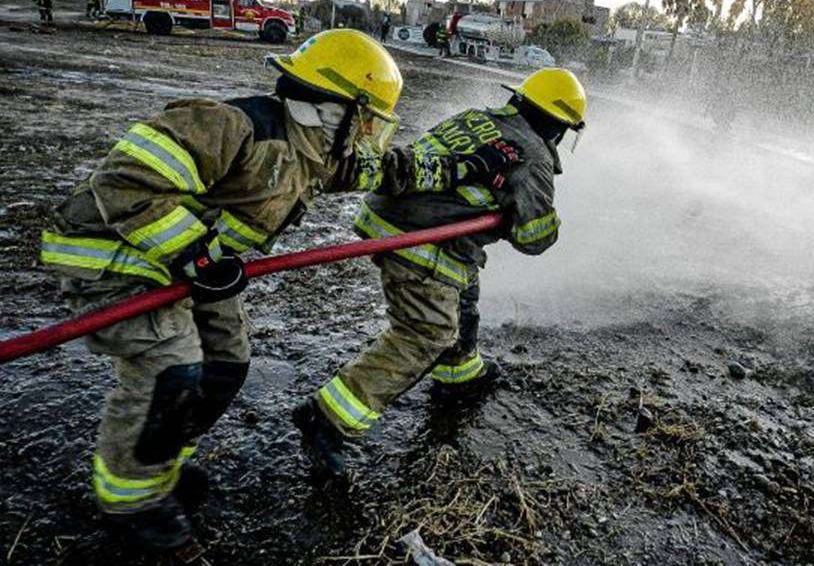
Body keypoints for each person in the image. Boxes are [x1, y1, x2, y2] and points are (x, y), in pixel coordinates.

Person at [38, 29, 524, 555]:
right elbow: (125, 183)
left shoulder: (315, 150)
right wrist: (195, 255)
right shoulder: (231, 127)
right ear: (337, 109)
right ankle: (133, 503)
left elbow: (387, 169)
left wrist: (463, 167)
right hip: (114, 256)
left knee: (226, 363)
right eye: (366, 120)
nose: (367, 134)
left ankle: (161, 467)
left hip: (189, 265)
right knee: (170, 370)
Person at [292, 68, 587, 479]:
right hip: (422, 240)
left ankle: (460, 373)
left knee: (462, 285)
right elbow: (534, 239)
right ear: (559, 126)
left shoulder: (476, 117)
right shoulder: (533, 155)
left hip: (391, 217)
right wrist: (537, 220)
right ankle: (326, 418)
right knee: (426, 332)